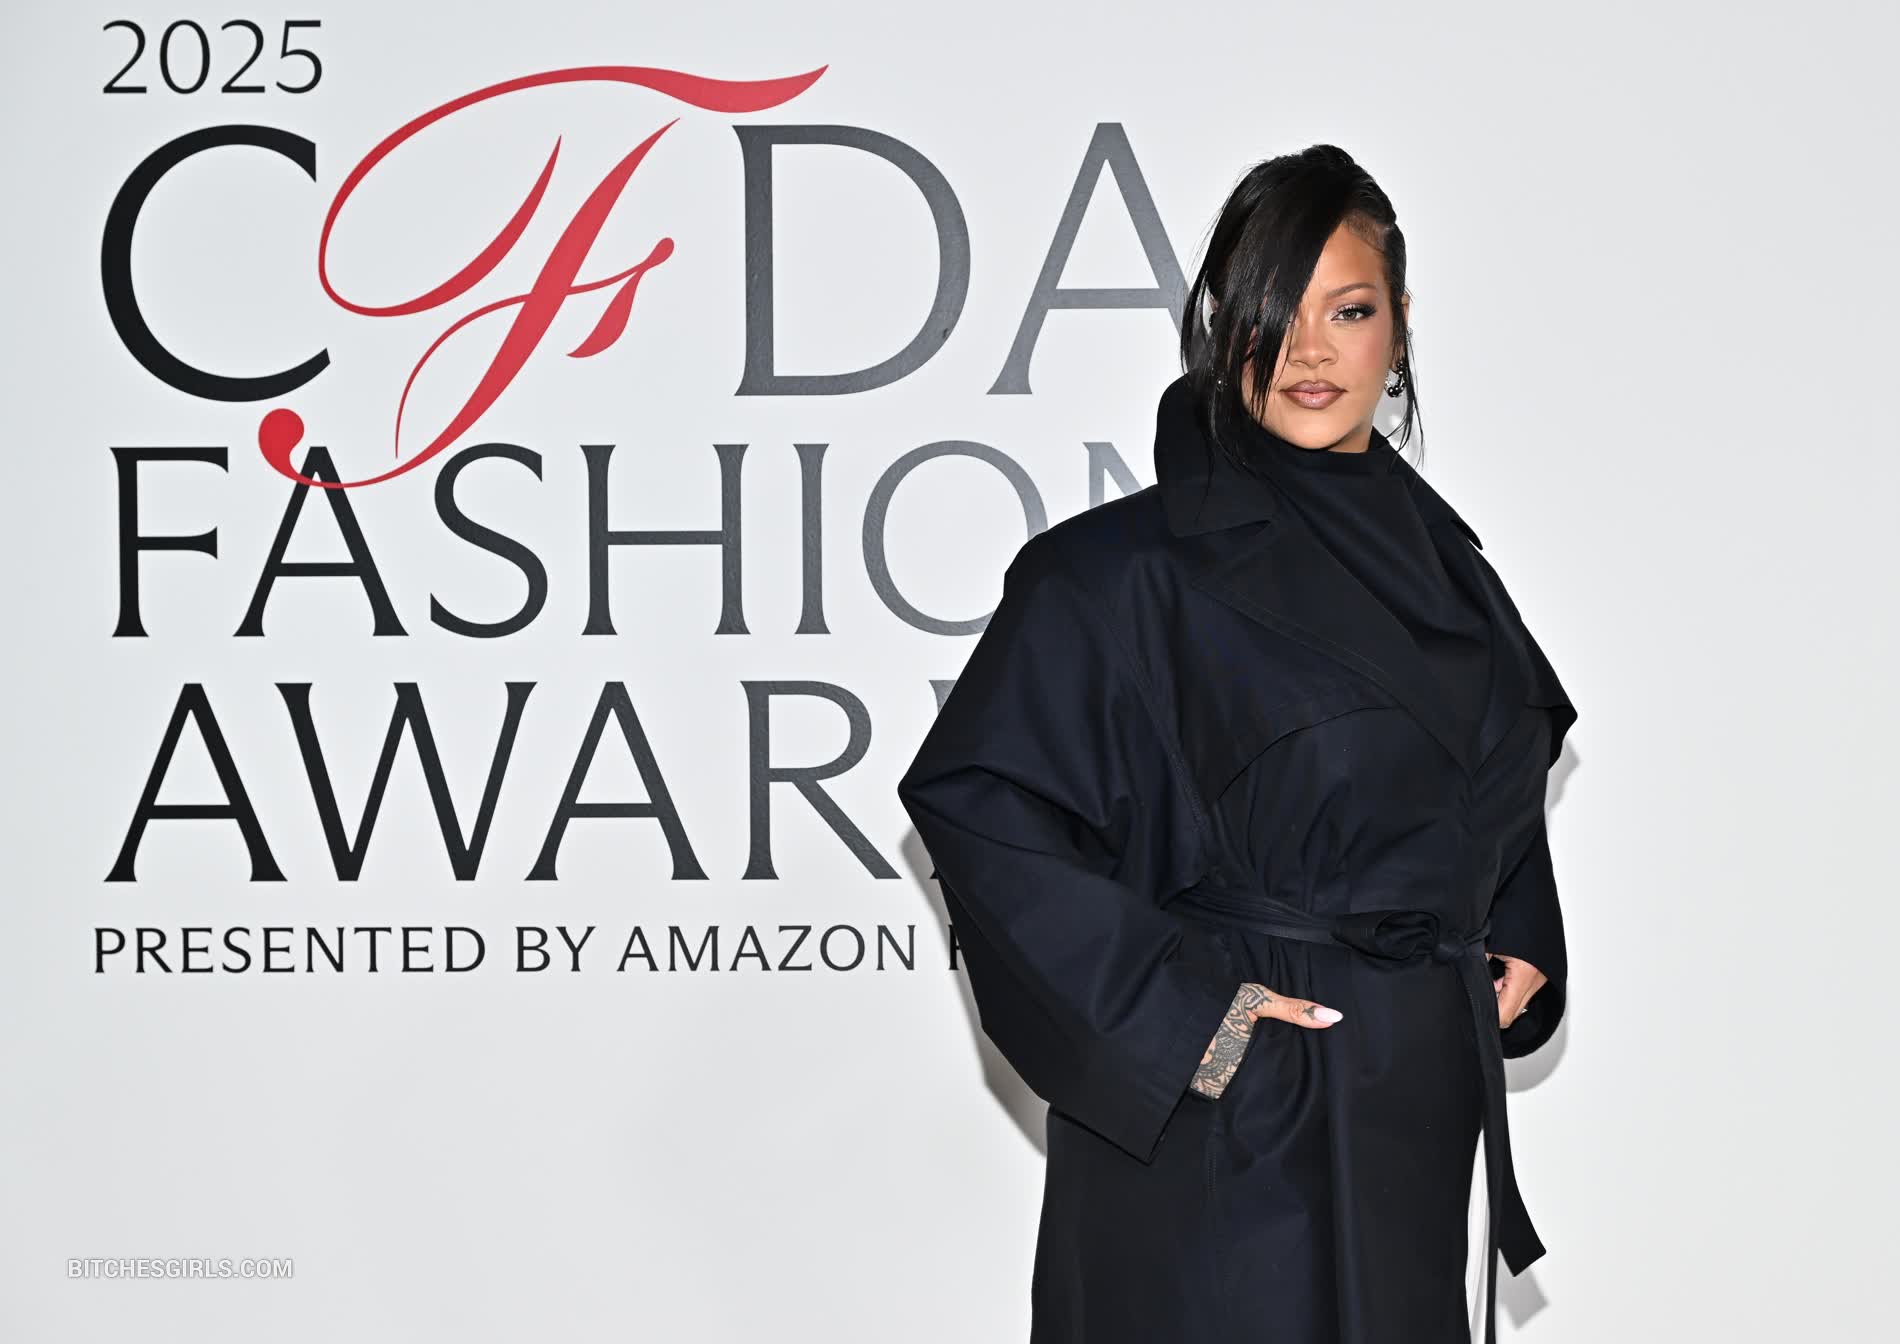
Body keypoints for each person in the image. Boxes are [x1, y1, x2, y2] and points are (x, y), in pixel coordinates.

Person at [895, 144, 1577, 1344]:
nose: (1310, 352)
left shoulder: (1453, 573)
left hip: (1407, 1109)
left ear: (1398, 329)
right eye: (1275, 314)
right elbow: (977, 801)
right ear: (1223, 331)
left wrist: (1513, 929)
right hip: (1229, 1122)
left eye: (1348, 312)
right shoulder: (1117, 571)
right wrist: (1190, 1018)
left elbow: (1470, 770)